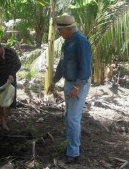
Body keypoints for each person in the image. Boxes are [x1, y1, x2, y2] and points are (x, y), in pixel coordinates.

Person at [47, 14, 91, 164]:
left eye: (60, 30)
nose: (59, 32)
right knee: (70, 116)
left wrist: (77, 86)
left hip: (78, 84)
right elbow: (62, 63)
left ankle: (73, 153)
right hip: (69, 83)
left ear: (69, 29)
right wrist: (54, 81)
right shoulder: (67, 42)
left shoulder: (81, 41)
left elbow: (85, 67)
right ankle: (71, 146)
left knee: (72, 118)